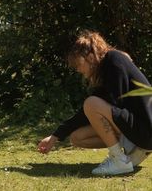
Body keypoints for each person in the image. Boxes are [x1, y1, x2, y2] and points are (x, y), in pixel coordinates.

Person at [37, 30, 152, 176]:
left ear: (90, 57)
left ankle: (120, 160)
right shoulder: (106, 71)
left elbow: (113, 103)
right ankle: (130, 149)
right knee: (77, 138)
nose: (78, 69)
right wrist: (55, 136)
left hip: (146, 131)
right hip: (136, 128)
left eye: (78, 64)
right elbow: (90, 111)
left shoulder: (114, 59)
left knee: (91, 103)